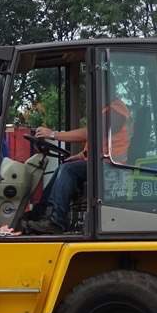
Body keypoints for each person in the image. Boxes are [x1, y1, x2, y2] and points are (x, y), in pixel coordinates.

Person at [26, 97, 130, 234]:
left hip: (111, 166)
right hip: (100, 162)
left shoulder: (117, 111)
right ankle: (40, 213)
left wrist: (53, 134)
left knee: (68, 170)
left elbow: (93, 133)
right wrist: (80, 156)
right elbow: (99, 144)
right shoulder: (105, 111)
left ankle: (56, 221)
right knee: (62, 168)